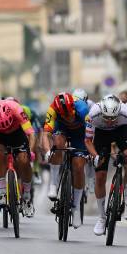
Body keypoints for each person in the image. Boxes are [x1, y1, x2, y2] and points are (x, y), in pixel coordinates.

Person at [85, 95, 127, 235]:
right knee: (100, 175)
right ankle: (102, 217)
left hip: (121, 131)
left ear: (118, 112)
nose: (110, 121)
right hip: (101, 134)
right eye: (107, 118)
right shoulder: (93, 114)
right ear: (101, 113)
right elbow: (87, 141)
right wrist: (96, 157)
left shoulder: (126, 113)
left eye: (112, 118)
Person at [42, 92, 90, 229]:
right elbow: (45, 135)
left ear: (73, 109)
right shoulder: (52, 110)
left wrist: (91, 153)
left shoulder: (83, 110)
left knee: (79, 166)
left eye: (69, 115)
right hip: (61, 129)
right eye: (63, 116)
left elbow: (92, 134)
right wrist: (47, 152)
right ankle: (53, 184)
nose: (67, 118)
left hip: (80, 133)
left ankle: (75, 208)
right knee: (57, 144)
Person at [0, 99, 37, 217]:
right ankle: (2, 192)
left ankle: (27, 197)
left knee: (23, 160)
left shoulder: (16, 108)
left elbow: (31, 134)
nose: (5, 128)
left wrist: (30, 151)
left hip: (17, 133)